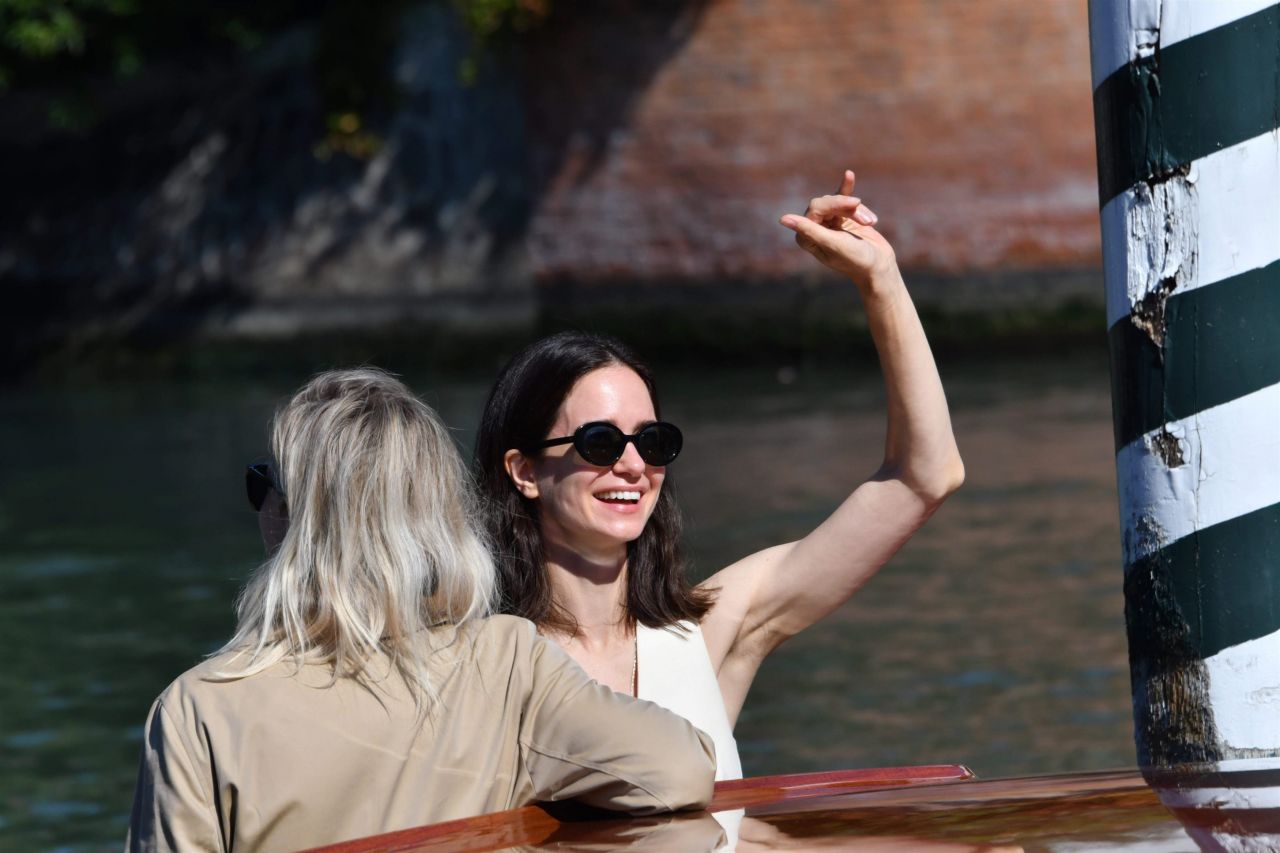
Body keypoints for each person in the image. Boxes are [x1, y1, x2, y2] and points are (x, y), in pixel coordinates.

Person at [475, 170, 964, 780]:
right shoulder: (479, 664)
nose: (633, 464)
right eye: (599, 443)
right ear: (523, 472)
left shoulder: (707, 633)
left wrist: (880, 281)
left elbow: (925, 475)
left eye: (652, 441)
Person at [126, 369, 715, 853]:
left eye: (264, 485)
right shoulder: (505, 661)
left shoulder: (201, 709)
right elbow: (680, 770)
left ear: (292, 517)